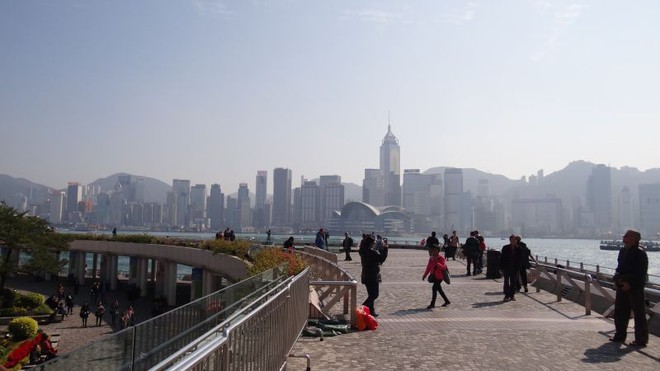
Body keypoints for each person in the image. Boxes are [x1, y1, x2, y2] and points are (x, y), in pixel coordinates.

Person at [610, 230, 649, 347]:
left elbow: (641, 273)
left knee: (639, 314)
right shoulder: (623, 251)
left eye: (627, 236)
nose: (624, 237)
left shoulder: (640, 253)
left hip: (635, 288)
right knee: (620, 312)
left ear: (634, 238)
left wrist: (630, 283)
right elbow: (619, 268)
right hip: (622, 285)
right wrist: (618, 279)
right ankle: (620, 336)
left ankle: (641, 340)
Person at [359, 234, 388, 317]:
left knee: (371, 294)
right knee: (374, 295)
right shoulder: (372, 252)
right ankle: (361, 308)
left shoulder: (363, 250)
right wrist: (385, 248)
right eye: (374, 242)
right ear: (371, 243)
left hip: (366, 275)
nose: (375, 243)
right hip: (373, 275)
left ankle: (371, 311)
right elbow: (382, 258)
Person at [499, 235, 522, 302]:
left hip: (515, 268)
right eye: (512, 240)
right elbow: (502, 258)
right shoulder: (505, 248)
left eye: (515, 240)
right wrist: (501, 267)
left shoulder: (519, 248)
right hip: (506, 267)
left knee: (513, 282)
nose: (513, 241)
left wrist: (519, 267)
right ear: (510, 240)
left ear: (516, 240)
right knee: (506, 281)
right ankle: (506, 295)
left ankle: (512, 295)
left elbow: (520, 259)